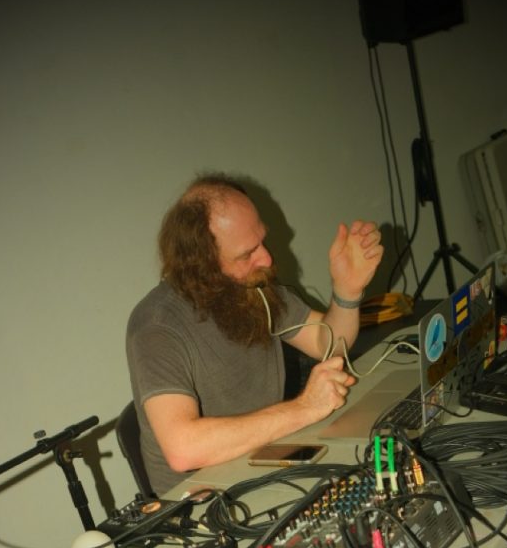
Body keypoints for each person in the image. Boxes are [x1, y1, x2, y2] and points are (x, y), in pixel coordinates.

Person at [126, 174, 383, 496]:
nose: (267, 259)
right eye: (247, 254)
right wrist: (304, 408)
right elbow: (184, 449)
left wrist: (348, 291)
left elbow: (327, 344)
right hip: (206, 501)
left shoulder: (252, 290)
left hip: (267, 461)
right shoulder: (157, 326)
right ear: (200, 265)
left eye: (262, 241)